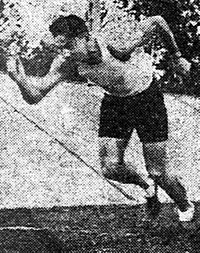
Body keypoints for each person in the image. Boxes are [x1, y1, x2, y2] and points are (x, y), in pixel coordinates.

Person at [7, 14, 194, 222]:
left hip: (147, 99)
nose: (65, 53)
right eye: (60, 48)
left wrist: (177, 57)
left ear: (86, 37)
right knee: (110, 168)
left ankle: (185, 206)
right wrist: (20, 79)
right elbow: (35, 95)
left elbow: (158, 21)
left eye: (68, 46)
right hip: (116, 102)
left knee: (158, 171)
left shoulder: (115, 41)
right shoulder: (67, 63)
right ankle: (146, 186)